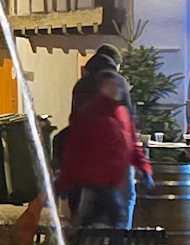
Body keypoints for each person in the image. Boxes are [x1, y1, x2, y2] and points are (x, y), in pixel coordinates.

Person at [55, 68, 149, 233]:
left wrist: (144, 167)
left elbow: (131, 144)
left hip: (113, 178)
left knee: (94, 219)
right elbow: (75, 149)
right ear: (102, 88)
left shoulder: (122, 113)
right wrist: (65, 181)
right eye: (111, 86)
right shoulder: (90, 113)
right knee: (111, 217)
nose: (116, 90)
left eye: (118, 86)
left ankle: (85, 243)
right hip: (97, 179)